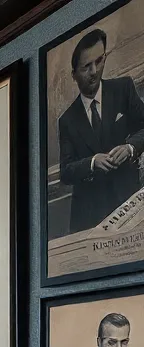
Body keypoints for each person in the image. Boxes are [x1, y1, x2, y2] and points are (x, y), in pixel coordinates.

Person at [58, 28, 144, 234]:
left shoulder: (123, 88)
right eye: (86, 67)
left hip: (129, 204)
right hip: (90, 216)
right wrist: (92, 162)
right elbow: (66, 171)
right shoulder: (67, 120)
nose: (95, 71)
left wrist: (131, 147)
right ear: (74, 75)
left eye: (99, 61)